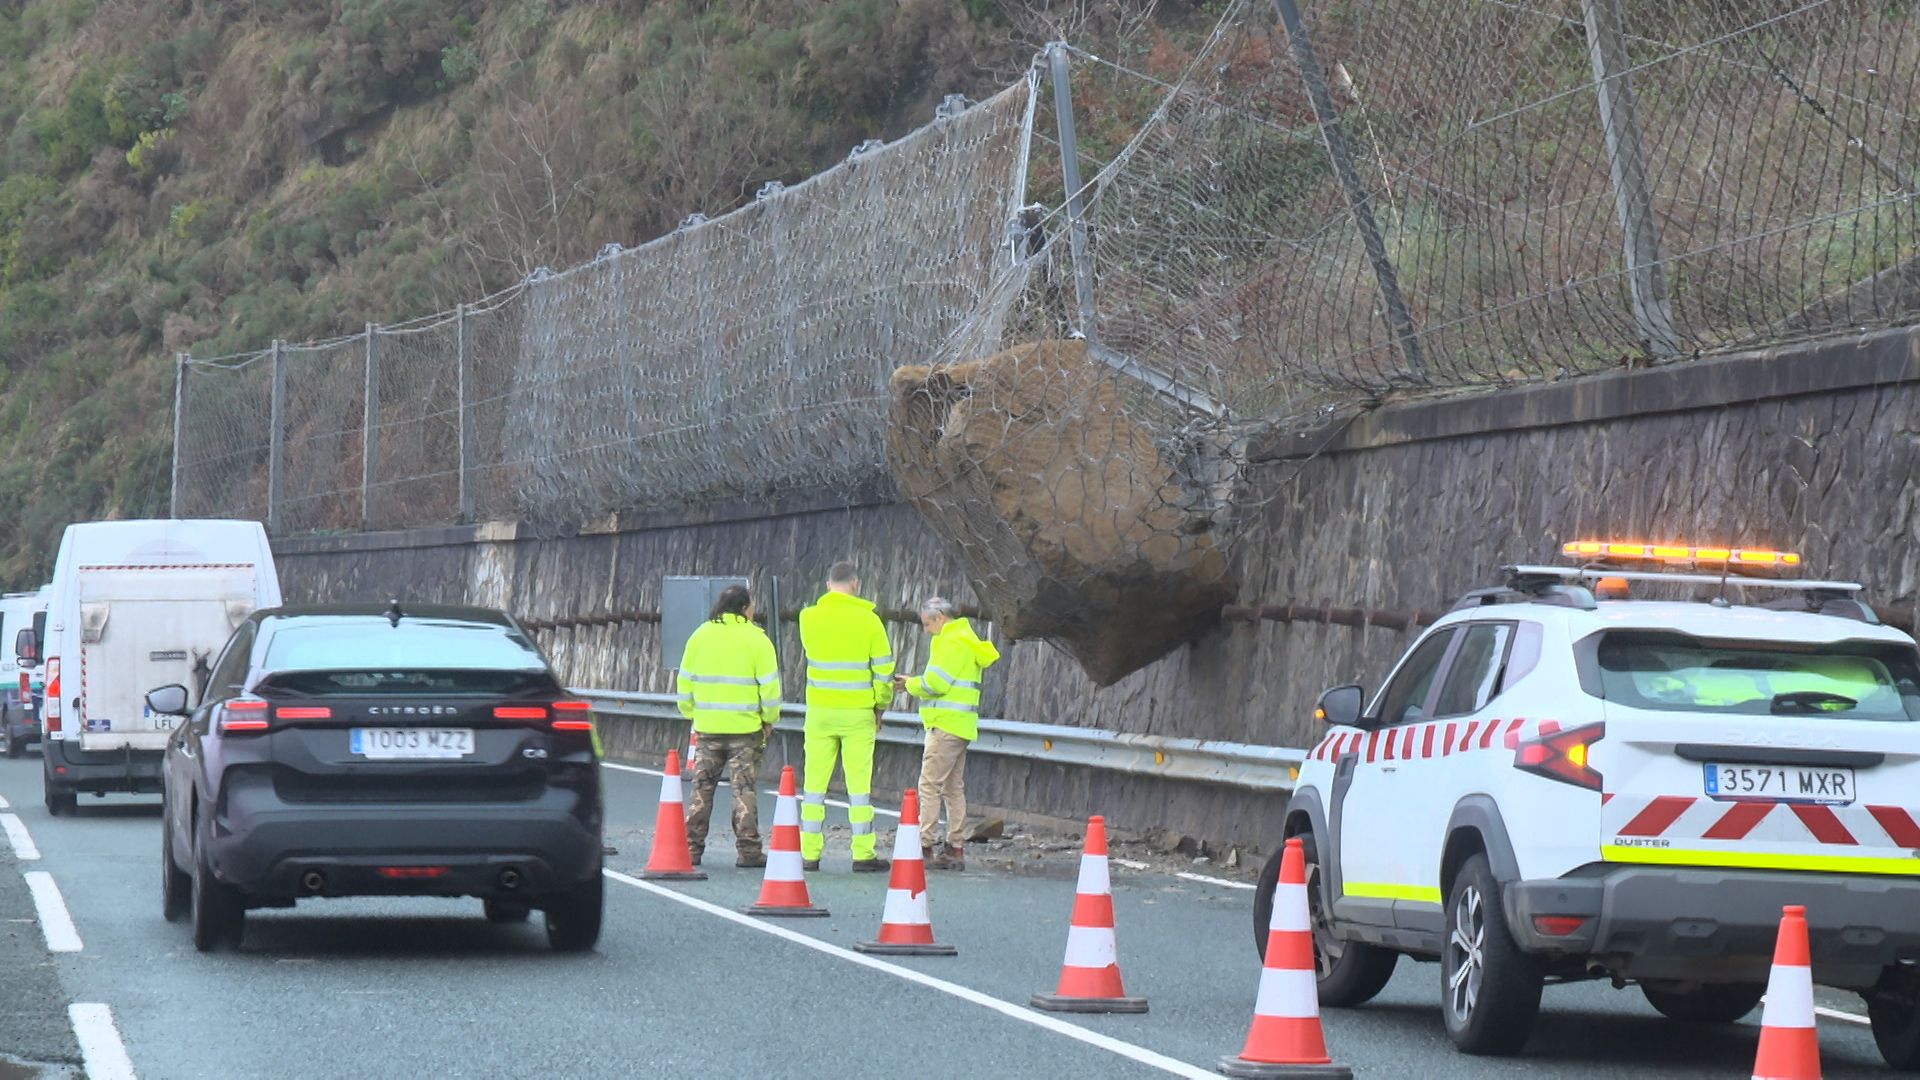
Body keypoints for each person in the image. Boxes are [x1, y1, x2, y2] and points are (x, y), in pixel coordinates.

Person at [796, 561, 894, 872]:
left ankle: (809, 853)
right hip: (858, 714)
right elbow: (884, 673)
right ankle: (862, 853)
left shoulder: (807, 618)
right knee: (859, 787)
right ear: (856, 585)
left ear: (827, 585)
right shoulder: (870, 621)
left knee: (814, 786)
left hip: (820, 714)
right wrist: (880, 707)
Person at [676, 585, 781, 868]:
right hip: (745, 730)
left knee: (702, 788)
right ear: (745, 607)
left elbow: (684, 683)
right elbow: (770, 689)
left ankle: (691, 849)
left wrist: (693, 714)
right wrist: (769, 719)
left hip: (707, 727)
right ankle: (748, 851)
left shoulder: (699, 636)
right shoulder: (757, 640)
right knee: (743, 789)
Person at [895, 597, 1000, 871]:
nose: (927, 630)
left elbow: (936, 684)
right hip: (962, 725)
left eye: (928, 623)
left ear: (941, 617)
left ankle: (925, 846)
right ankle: (954, 847)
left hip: (944, 724)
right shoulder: (966, 639)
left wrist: (909, 684)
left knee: (929, 785)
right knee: (953, 788)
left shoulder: (948, 642)